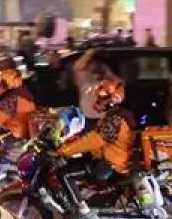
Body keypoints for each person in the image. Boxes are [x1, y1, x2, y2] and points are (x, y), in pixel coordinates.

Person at [57, 78, 138, 211]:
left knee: (64, 173)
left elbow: (94, 140)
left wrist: (64, 150)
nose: (97, 102)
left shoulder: (115, 119)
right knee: (73, 162)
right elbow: (93, 137)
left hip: (112, 164)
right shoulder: (115, 116)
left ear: (112, 101)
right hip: (109, 158)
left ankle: (81, 209)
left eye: (101, 99)